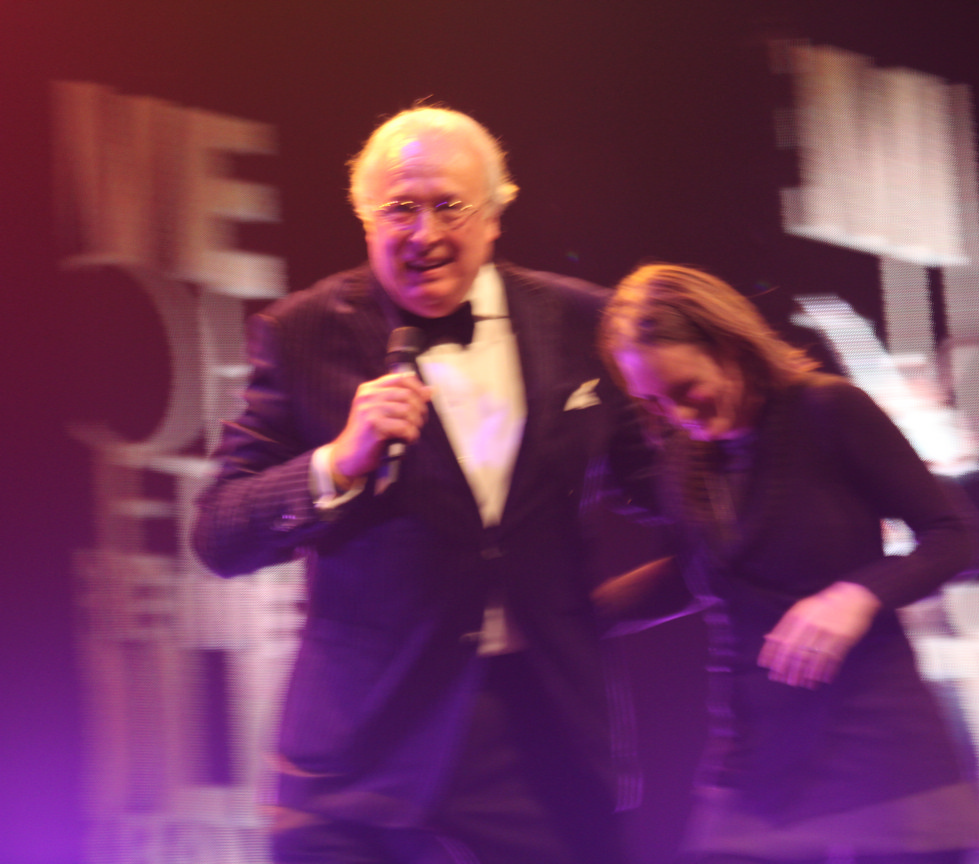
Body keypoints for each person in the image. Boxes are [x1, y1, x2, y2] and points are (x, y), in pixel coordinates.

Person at [192, 106, 650, 864]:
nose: (424, 233)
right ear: (365, 218)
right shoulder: (301, 331)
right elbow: (218, 533)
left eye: (449, 206)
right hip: (363, 746)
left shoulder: (583, 322)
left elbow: (667, 487)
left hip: (546, 739)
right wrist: (338, 461)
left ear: (495, 216)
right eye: (399, 208)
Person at [598, 264, 979, 864]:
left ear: (728, 346)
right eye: (652, 402)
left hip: (878, 744)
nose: (676, 415)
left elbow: (956, 537)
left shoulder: (827, 410)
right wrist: (567, 616)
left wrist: (858, 596)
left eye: (685, 389)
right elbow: (692, 574)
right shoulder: (683, 459)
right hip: (758, 758)